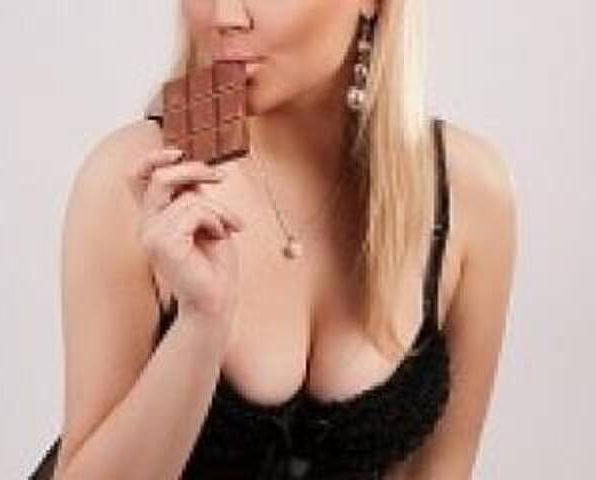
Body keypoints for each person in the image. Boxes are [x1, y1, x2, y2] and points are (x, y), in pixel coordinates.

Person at [51, 0, 517, 478]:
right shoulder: (142, 178)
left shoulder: (467, 192)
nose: (225, 15)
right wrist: (200, 323)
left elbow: (443, 469)